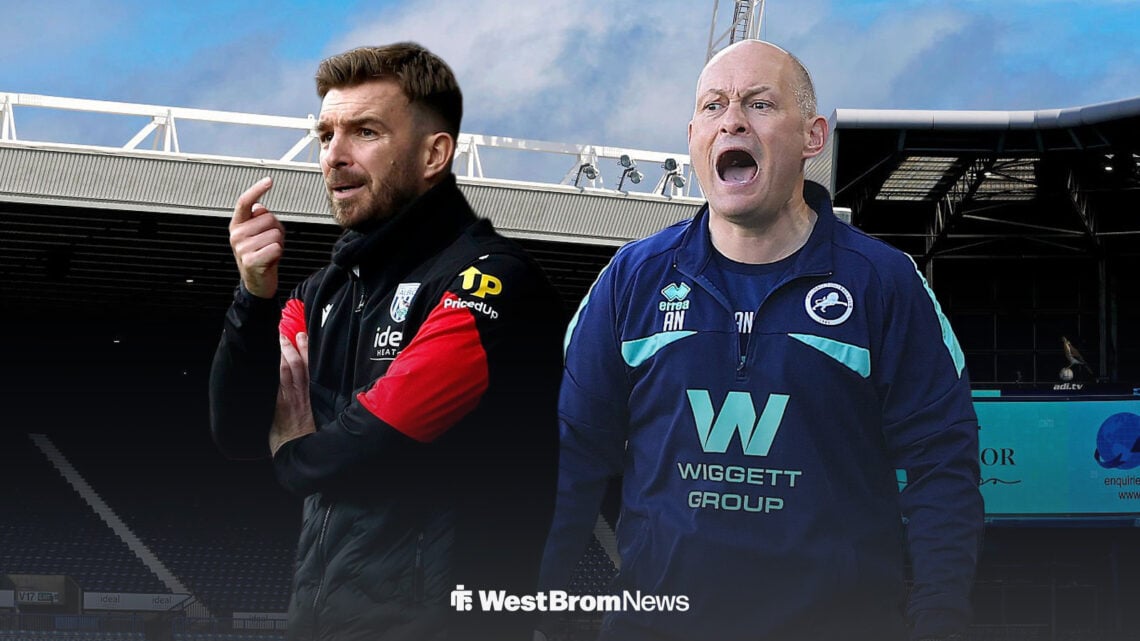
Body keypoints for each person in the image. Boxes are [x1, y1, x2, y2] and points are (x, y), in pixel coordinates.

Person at [540, 40, 983, 641]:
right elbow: (566, 460)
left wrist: (941, 622)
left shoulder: (886, 285)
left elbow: (942, 473)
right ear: (693, 134)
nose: (732, 120)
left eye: (759, 103)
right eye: (713, 105)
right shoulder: (631, 280)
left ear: (812, 136)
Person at [209, 42, 563, 641]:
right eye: (326, 136)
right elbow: (238, 430)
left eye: (365, 132)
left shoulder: (491, 280)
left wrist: (295, 454)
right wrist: (252, 295)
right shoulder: (318, 295)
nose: (334, 157)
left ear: (434, 153)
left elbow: (380, 436)